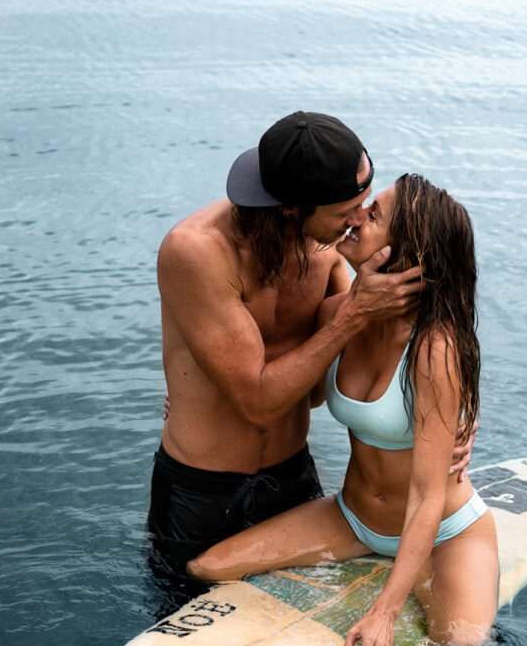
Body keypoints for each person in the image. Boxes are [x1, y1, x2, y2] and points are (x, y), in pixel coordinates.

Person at [188, 174, 498, 646]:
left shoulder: (433, 349)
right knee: (207, 568)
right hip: (351, 519)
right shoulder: (339, 313)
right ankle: (398, 572)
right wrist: (204, 397)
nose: (356, 218)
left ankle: (417, 573)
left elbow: (426, 496)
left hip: (443, 530)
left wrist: (384, 612)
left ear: (403, 252)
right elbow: (289, 390)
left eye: (372, 215)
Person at [148, 112, 475, 584]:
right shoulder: (197, 251)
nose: (360, 220)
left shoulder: (328, 244)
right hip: (202, 491)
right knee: (177, 621)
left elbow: (378, 344)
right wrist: (355, 314)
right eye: (348, 212)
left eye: (365, 203)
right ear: (291, 207)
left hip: (294, 479)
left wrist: (453, 414)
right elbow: (260, 401)